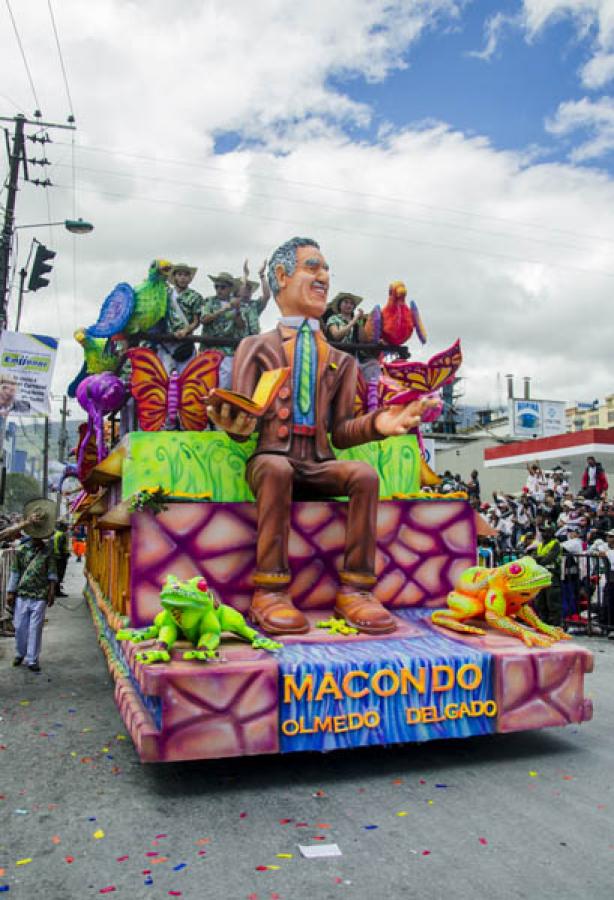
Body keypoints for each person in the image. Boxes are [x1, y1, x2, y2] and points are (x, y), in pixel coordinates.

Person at [207, 236, 436, 636]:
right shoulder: (254, 347)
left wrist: (380, 423)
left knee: (363, 476)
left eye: (326, 269)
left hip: (317, 461)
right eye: (312, 267)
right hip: (271, 458)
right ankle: (270, 590)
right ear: (281, 276)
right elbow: (242, 409)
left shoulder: (341, 360)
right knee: (276, 469)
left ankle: (356, 589)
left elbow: (343, 432)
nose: (323, 277)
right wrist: (234, 424)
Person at [6, 499, 57, 672]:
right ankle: (20, 653)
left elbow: (52, 573)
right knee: (20, 626)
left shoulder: (48, 551)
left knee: (35, 628)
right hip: (22, 594)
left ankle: (32, 659)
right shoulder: (22, 550)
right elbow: (15, 571)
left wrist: (51, 592)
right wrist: (10, 592)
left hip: (40, 595)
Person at [200, 271, 246, 388]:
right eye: (216, 286)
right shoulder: (209, 301)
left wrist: (237, 312)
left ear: (230, 288)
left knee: (227, 379)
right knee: (206, 381)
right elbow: (204, 319)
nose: (219, 289)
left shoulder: (238, 304)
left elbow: (241, 326)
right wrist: (222, 310)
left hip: (228, 349)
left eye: (223, 287)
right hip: (209, 348)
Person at [325, 292, 380, 383]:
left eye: (351, 303)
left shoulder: (356, 322)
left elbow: (363, 340)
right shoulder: (333, 318)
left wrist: (360, 322)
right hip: (335, 359)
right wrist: (353, 320)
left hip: (353, 359)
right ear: (340, 305)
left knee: (373, 364)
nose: (349, 305)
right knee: (333, 373)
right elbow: (336, 335)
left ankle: (372, 393)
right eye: (346, 302)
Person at [159, 263, 205, 371]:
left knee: (185, 377)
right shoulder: (165, 294)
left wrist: (185, 331)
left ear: (190, 278)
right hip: (165, 341)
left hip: (185, 343)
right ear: (174, 277)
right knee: (163, 377)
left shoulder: (195, 296)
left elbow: (196, 321)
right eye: (179, 274)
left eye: (186, 275)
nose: (182, 278)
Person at [533, 524, 562, 626]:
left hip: (552, 575)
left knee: (552, 601)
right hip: (541, 575)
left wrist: (539, 559)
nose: (543, 534)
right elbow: (533, 557)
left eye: (546, 531)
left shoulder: (555, 544)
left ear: (551, 533)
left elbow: (548, 559)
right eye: (542, 531)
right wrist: (539, 558)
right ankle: (543, 624)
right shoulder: (540, 544)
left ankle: (555, 625)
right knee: (540, 601)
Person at [235, 259, 271, 336]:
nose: (247, 291)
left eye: (249, 289)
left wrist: (262, 275)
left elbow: (267, 296)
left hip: (252, 340)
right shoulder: (233, 304)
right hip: (236, 342)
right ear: (238, 291)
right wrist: (246, 274)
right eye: (245, 288)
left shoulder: (254, 305)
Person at [52, 521, 70, 597]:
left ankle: (56, 590)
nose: (67, 529)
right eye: (66, 527)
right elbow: (61, 547)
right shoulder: (61, 535)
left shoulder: (56, 534)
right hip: (60, 558)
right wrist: (66, 554)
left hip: (55, 556)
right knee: (60, 574)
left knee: (56, 574)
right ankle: (57, 592)